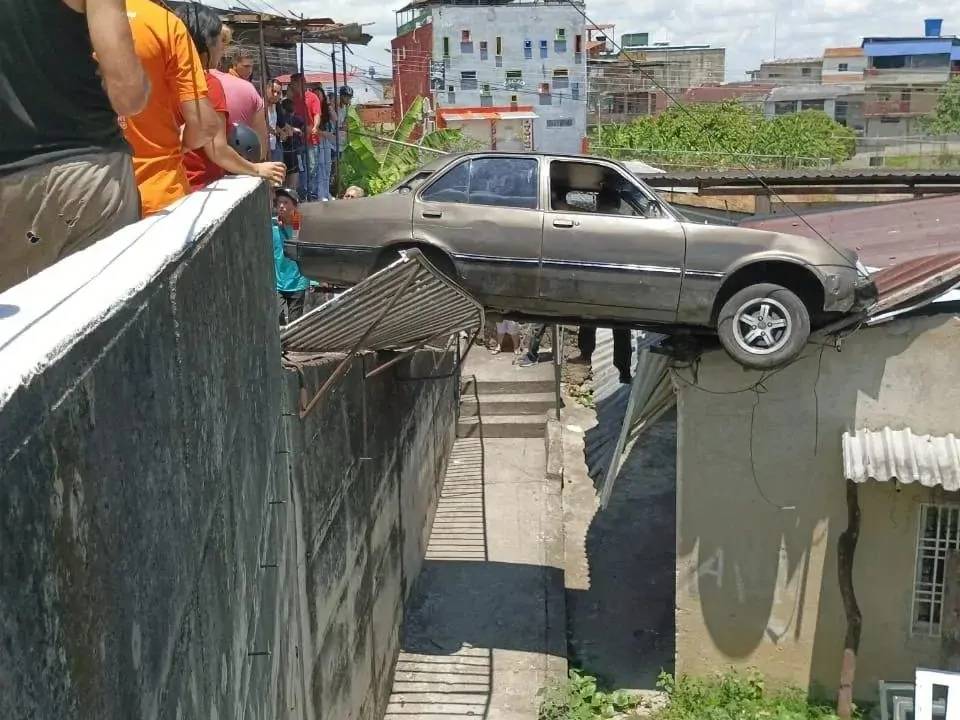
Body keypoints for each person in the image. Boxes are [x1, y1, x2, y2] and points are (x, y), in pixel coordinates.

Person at [0, 0, 150, 291]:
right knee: (111, 321)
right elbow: (129, 96)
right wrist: (143, 84)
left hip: (7, 186)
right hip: (88, 175)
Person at [122, 0, 219, 216]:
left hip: (91, 196)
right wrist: (185, 142)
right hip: (159, 193)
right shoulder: (166, 24)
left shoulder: (76, 23)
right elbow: (204, 124)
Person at [174, 3, 285, 191]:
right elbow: (217, 148)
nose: (222, 50)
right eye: (220, 42)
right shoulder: (206, 83)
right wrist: (256, 168)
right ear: (207, 44)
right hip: (198, 187)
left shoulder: (160, 78)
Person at [210, 53, 268, 160]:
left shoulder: (213, 80)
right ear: (235, 64)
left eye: (251, 66)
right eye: (246, 66)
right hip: (239, 153)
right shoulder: (248, 88)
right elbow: (262, 140)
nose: (250, 70)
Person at [272, 187, 313, 324]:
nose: (281, 206)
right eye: (279, 203)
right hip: (278, 283)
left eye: (286, 202)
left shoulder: (303, 226)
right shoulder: (272, 226)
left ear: (295, 205)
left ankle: (289, 345)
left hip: (298, 283)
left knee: (295, 323)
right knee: (277, 319)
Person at [288, 73, 324, 202]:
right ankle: (303, 194)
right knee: (301, 169)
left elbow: (317, 114)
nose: (294, 86)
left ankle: (312, 194)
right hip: (298, 140)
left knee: (312, 168)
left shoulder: (312, 97)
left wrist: (315, 126)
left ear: (302, 83)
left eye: (295, 84)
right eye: (292, 84)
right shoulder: (293, 99)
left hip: (311, 140)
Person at [279, 98, 305, 194]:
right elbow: (303, 130)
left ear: (283, 109)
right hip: (295, 152)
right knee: (293, 183)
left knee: (283, 183)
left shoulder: (281, 119)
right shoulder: (298, 119)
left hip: (283, 152)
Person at [265, 78, 284, 162]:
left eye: (278, 93)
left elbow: (273, 123)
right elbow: (262, 124)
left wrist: (280, 131)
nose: (275, 94)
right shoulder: (261, 104)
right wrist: (274, 131)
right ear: (266, 89)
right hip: (265, 149)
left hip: (274, 145)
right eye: (273, 91)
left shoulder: (275, 105)